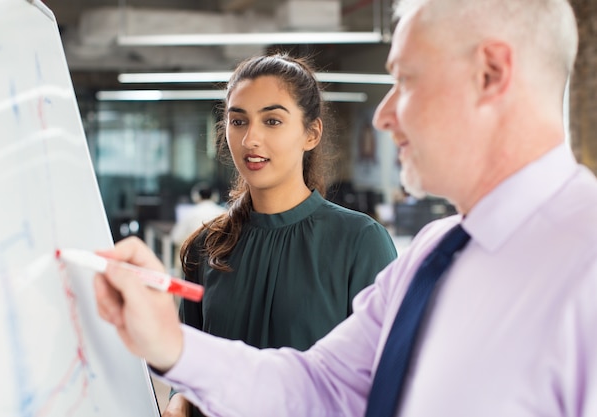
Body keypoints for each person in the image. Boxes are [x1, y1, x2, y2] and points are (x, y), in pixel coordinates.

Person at [94, 0, 597, 416]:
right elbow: (320, 387)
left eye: (407, 80)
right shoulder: (433, 254)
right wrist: (169, 342)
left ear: (490, 74)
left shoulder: (585, 266)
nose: (382, 115)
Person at [163, 53, 398, 416]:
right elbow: (189, 364)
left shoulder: (359, 242)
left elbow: (385, 379)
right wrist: (178, 398)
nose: (250, 139)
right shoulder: (205, 246)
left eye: (272, 121)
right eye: (238, 121)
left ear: (311, 133)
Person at [170, 182, 226, 269]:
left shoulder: (189, 213)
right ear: (215, 196)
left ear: (195, 196)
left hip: (193, 262)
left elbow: (176, 238)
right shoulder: (223, 213)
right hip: (219, 261)